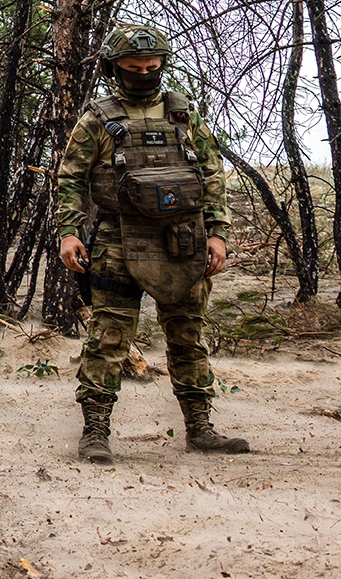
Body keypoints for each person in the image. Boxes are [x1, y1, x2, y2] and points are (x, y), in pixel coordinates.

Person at [55, 24, 249, 464]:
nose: (144, 73)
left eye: (152, 66)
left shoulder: (184, 115)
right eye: (132, 67)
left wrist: (217, 232)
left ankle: (200, 429)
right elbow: (70, 178)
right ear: (114, 68)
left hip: (183, 239)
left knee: (188, 335)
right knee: (108, 337)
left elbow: (213, 175)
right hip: (117, 240)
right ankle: (95, 433)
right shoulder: (98, 118)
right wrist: (68, 231)